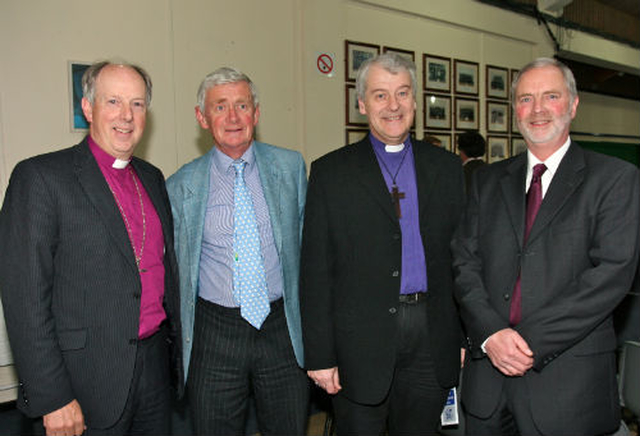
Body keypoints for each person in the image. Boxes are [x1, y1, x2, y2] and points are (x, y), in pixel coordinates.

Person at [452, 57, 640, 435]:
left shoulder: (614, 179)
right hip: (487, 384)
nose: (537, 109)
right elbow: (464, 262)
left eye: (550, 96)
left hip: (569, 389)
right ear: (514, 110)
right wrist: (491, 334)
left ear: (572, 105)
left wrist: (526, 341)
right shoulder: (487, 181)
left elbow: (611, 275)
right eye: (525, 99)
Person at [0, 61, 183, 435]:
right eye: (113, 101)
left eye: (136, 104)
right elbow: (25, 299)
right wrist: (52, 396)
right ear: (87, 108)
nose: (126, 116)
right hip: (84, 381)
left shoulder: (152, 178)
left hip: (153, 370)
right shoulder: (41, 178)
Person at [300, 53, 465, 435]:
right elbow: (315, 270)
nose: (393, 105)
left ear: (415, 102)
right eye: (380, 95)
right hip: (359, 343)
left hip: (431, 337)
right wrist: (320, 355)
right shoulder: (331, 172)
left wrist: (461, 336)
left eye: (402, 93)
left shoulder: (446, 168)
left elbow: (462, 259)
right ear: (361, 105)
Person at [166, 67, 309, 435]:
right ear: (202, 117)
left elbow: (310, 251)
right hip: (214, 334)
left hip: (281, 329)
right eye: (220, 107)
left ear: (256, 114)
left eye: (242, 105)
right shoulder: (181, 185)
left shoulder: (290, 168)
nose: (233, 117)